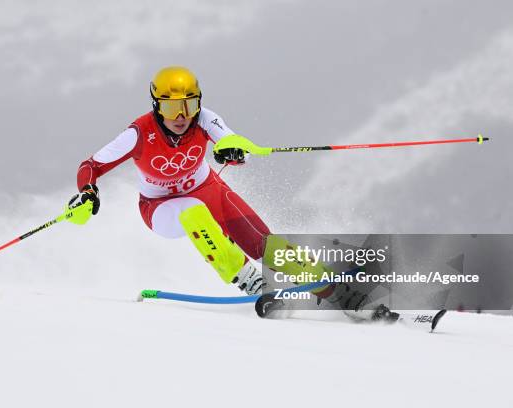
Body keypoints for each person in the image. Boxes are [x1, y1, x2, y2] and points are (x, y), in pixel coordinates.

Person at [68, 66, 397, 321]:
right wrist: (87, 193)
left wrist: (232, 150)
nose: (182, 116)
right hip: (159, 208)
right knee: (193, 213)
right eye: (171, 108)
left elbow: (228, 138)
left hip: (210, 189)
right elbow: (91, 165)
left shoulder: (204, 120)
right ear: (156, 107)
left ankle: (342, 295)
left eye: (190, 104)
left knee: (267, 245)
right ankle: (249, 280)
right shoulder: (138, 134)